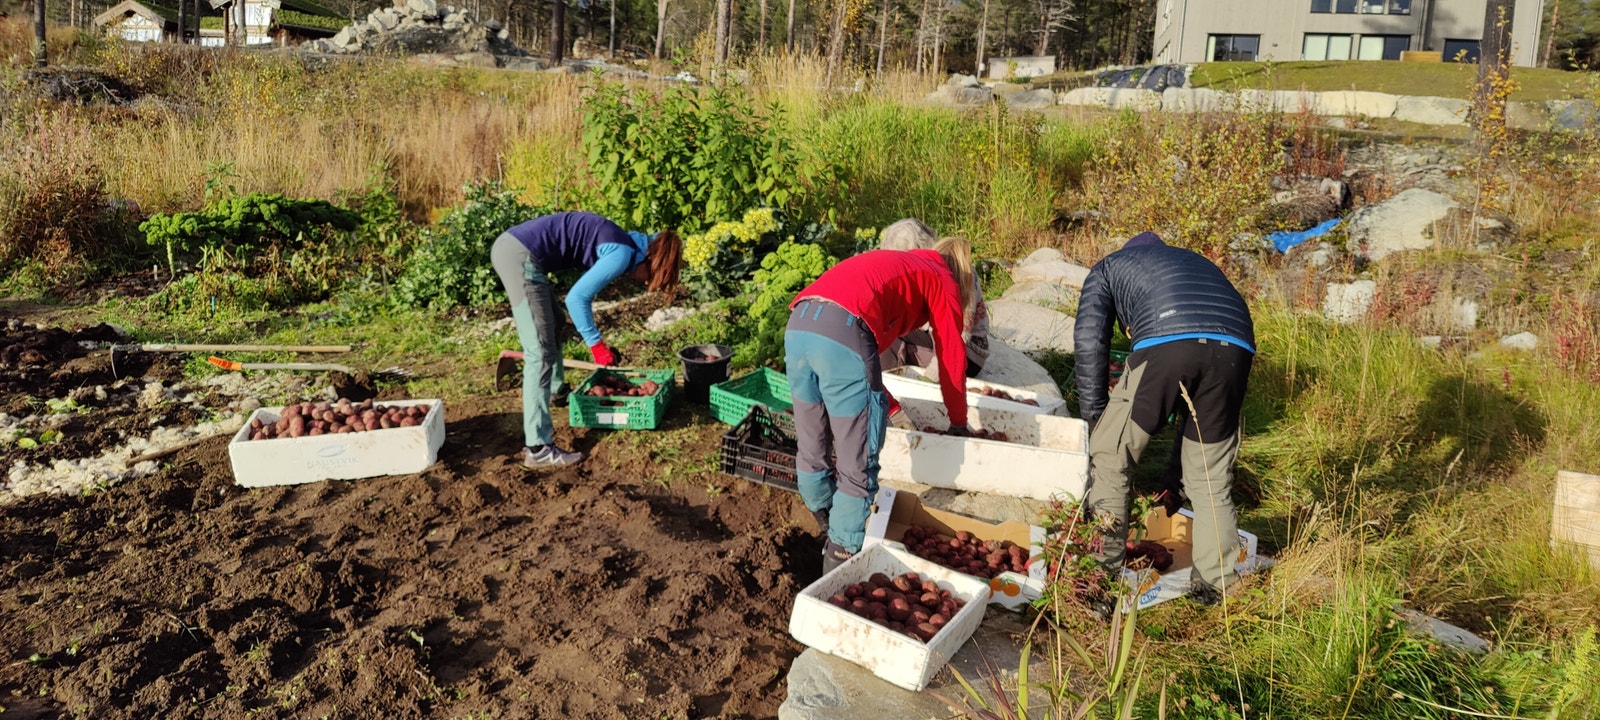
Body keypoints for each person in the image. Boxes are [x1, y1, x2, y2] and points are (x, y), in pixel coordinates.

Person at [1073, 232, 1254, 605]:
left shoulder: (1107, 268)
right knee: (1211, 476)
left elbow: (1091, 342)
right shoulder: (1194, 263)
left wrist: (1095, 421)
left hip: (1165, 336)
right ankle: (1216, 585)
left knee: (1111, 459)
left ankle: (1097, 586)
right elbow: (1191, 413)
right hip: (1236, 348)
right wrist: (1174, 480)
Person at [786, 237, 978, 573]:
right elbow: (951, 355)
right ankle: (839, 562)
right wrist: (959, 422)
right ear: (960, 276)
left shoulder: (902, 266)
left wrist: (887, 404)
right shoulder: (941, 278)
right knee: (857, 465)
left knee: (813, 442)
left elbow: (867, 365)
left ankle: (825, 523)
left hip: (800, 325)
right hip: (844, 330)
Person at [491, 211, 682, 469]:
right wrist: (597, 346)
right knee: (540, 353)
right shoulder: (621, 253)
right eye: (651, 277)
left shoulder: (627, 244)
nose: (647, 282)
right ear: (651, 260)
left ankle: (555, 391)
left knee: (555, 322)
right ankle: (538, 448)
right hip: (519, 255)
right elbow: (576, 299)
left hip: (515, 249)